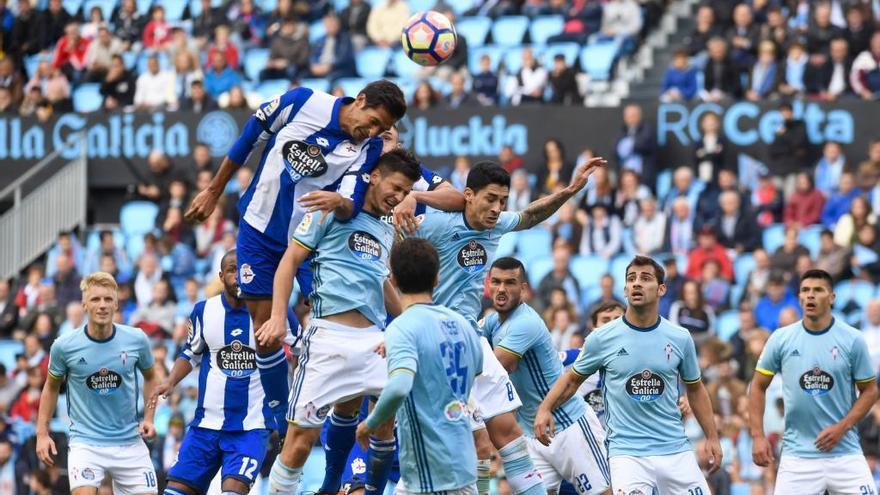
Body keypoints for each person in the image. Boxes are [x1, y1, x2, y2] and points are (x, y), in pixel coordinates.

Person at [185, 80, 406, 433]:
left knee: (347, 312)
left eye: (381, 127)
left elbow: (350, 200)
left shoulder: (370, 146)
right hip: (258, 228)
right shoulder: (303, 101)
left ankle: (352, 398)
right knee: (263, 330)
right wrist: (214, 190)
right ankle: (279, 413)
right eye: (373, 120)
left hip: (309, 243)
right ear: (360, 99)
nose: (374, 130)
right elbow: (248, 139)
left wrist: (340, 202)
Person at [412, 157, 605, 495]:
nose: (496, 208)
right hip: (434, 341)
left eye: (502, 201)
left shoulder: (496, 226)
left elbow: (531, 215)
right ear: (468, 195)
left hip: (468, 338)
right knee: (463, 445)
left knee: (499, 439)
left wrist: (570, 191)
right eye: (490, 199)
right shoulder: (436, 226)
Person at [261, 149, 421, 495]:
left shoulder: (387, 229)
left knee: (386, 428)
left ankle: (352, 488)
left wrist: (414, 319)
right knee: (299, 444)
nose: (400, 197)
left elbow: (382, 282)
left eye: (407, 192)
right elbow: (289, 263)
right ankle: (319, 485)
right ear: (374, 176)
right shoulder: (330, 211)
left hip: (374, 341)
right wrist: (277, 316)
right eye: (396, 187)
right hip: (328, 339)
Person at [535, 255, 722, 493]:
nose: (636, 284)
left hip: (675, 449)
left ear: (661, 289)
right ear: (624, 289)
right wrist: (545, 408)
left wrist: (712, 437)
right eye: (631, 279)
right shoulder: (602, 339)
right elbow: (572, 380)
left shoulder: (680, 337)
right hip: (627, 454)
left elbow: (695, 388)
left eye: (645, 278)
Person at [150, 250, 295, 495]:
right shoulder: (204, 311)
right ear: (221, 275)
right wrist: (171, 380)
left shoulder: (274, 310)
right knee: (175, 491)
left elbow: (304, 347)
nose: (239, 275)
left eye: (244, 269)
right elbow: (191, 352)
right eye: (231, 270)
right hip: (205, 424)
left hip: (251, 426)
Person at [355, 238, 482, 495]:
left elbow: (400, 386)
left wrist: (369, 423)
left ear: (394, 280)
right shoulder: (461, 324)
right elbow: (475, 369)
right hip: (462, 464)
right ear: (437, 278)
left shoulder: (402, 328)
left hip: (432, 471)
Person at [483, 257, 610, 494]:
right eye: (496, 282)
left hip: (569, 426)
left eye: (510, 283)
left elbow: (495, 366)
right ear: (488, 285)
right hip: (534, 435)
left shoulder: (526, 322)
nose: (501, 289)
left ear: (523, 289)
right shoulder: (492, 322)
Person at [749, 269, 879, 492]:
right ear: (799, 297)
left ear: (831, 297)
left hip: (845, 453)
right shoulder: (781, 339)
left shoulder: (852, 339)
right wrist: (758, 435)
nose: (810, 295)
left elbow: (870, 391)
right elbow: (758, 387)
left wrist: (842, 428)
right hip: (797, 457)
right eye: (805, 290)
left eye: (818, 290)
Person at [35, 272, 159, 494]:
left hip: (130, 441)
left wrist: (149, 418)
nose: (102, 305)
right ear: (84, 304)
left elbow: (151, 377)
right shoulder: (64, 346)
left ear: (116, 304)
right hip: (86, 443)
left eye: (108, 299)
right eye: (95, 299)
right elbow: (51, 388)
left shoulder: (137, 339)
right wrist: (42, 434)